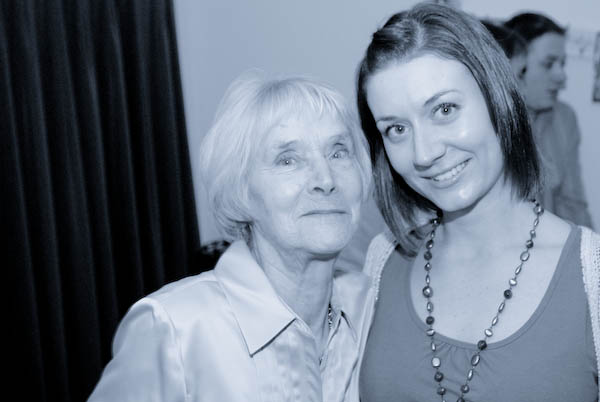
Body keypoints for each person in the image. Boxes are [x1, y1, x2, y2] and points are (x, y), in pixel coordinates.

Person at [355, 3, 600, 402]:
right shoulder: (383, 261)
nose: (424, 153)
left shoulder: (591, 275)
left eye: (445, 109)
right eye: (396, 128)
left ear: (498, 99)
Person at [87, 73, 373, 401]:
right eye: (288, 160)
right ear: (241, 191)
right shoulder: (175, 329)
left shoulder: (371, 307)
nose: (325, 179)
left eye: (338, 152)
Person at [504, 12, 594, 229]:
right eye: (548, 63)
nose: (561, 76)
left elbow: (573, 204)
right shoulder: (488, 122)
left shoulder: (564, 118)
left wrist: (590, 247)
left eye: (562, 63)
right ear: (514, 65)